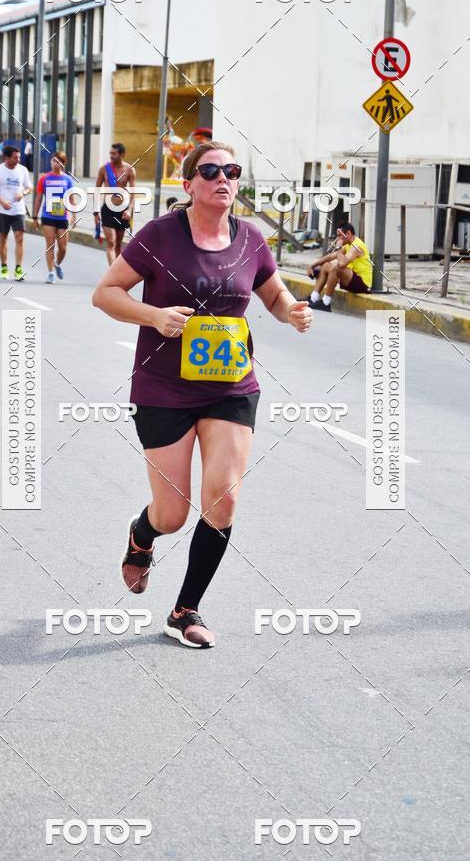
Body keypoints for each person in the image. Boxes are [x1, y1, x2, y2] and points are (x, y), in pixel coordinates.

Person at [92, 141, 313, 649]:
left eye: (231, 171)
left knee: (224, 498)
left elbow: (273, 294)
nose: (223, 178)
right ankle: (142, 535)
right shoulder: (158, 236)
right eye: (210, 170)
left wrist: (291, 312)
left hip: (230, 386)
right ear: (188, 183)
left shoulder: (251, 239)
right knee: (173, 514)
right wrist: (155, 316)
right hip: (163, 388)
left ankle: (185, 609)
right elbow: (105, 292)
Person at [307, 222, 373, 311]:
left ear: (348, 233)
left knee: (336, 268)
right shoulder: (348, 245)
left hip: (362, 284)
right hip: (352, 280)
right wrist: (312, 265)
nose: (338, 239)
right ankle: (313, 298)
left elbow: (342, 264)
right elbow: (331, 256)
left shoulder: (357, 246)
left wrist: (338, 248)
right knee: (326, 265)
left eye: (339, 235)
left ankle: (326, 303)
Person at [0, 145, 32, 280]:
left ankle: (18, 269)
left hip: (18, 210)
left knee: (20, 238)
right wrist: (2, 202)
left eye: (19, 157)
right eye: (15, 157)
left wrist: (23, 193)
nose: (18, 159)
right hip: (2, 210)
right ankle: (4, 266)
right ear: (6, 158)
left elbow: (29, 187)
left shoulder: (23, 170)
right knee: (3, 239)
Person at [33, 151, 76, 283]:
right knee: (50, 245)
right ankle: (51, 272)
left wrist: (74, 215)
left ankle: (57, 264)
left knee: (63, 248)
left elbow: (72, 199)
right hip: (48, 216)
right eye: (53, 161)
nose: (55, 163)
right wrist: (35, 217)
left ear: (63, 163)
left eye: (58, 161)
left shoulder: (68, 180)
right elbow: (39, 198)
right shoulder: (44, 178)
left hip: (63, 217)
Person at [93, 143, 136, 266]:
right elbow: (97, 191)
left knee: (118, 244)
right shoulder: (104, 169)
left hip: (123, 210)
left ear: (122, 154)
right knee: (111, 242)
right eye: (110, 153)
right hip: (108, 210)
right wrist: (95, 213)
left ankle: (116, 273)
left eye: (114, 153)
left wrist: (129, 210)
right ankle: (112, 272)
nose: (111, 156)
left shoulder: (129, 170)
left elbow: (133, 193)